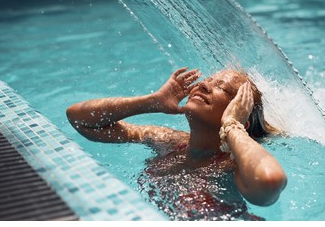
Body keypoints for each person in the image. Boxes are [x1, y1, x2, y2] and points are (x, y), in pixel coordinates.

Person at [66, 67, 287, 214]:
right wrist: (151, 102)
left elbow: (269, 181)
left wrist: (232, 125)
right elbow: (80, 120)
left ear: (239, 116)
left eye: (222, 88)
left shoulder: (231, 165)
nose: (204, 85)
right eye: (208, 80)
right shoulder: (169, 141)